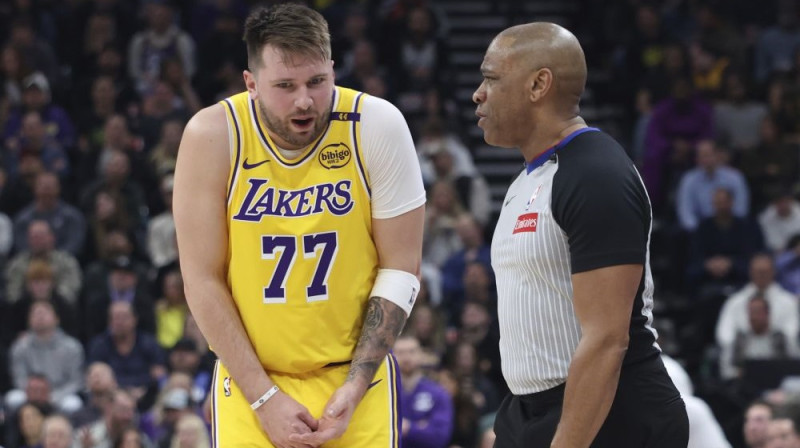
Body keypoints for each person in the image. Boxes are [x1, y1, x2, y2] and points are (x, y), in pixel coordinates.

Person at [173, 3, 425, 448]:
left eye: (317, 82)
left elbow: (401, 267)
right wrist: (264, 397)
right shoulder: (212, 136)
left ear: (332, 68)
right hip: (252, 383)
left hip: (356, 380)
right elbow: (201, 280)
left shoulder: (377, 125)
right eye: (285, 86)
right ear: (251, 84)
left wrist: (357, 382)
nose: (304, 100)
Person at [472, 22, 688, 447]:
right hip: (530, 412)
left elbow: (608, 340)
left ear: (539, 85)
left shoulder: (595, 174)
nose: (478, 93)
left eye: (492, 78)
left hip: (609, 417)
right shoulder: (529, 178)